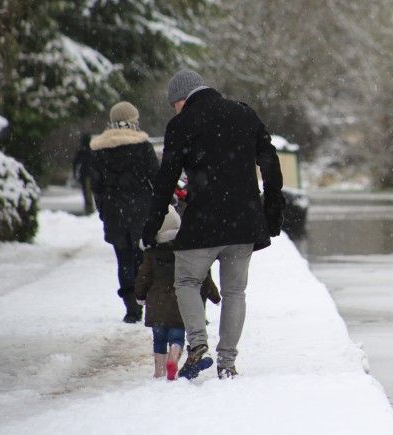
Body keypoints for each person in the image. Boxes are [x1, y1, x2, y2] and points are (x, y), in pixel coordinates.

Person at [142, 69, 284, 380]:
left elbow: (166, 179)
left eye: (173, 105)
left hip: (203, 223)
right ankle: (227, 363)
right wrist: (272, 209)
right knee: (235, 291)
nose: (174, 110)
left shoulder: (181, 124)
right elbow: (270, 162)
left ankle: (197, 344)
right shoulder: (244, 114)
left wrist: (152, 224)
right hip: (244, 221)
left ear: (181, 99)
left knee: (187, 282)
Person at [89, 101, 159, 323]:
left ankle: (131, 308)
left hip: (114, 211)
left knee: (123, 260)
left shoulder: (100, 150)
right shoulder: (143, 146)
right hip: (141, 211)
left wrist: (103, 210)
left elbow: (96, 186)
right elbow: (155, 179)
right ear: (133, 120)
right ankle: (144, 301)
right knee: (142, 260)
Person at [135, 206, 221, 380]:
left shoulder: (151, 253)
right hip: (180, 304)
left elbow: (143, 277)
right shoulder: (184, 252)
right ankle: (175, 353)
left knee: (158, 340)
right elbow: (202, 277)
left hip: (156, 305)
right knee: (177, 336)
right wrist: (214, 296)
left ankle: (159, 371)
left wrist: (140, 295)